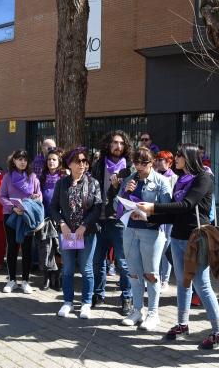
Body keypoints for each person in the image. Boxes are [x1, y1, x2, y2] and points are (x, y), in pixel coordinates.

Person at [137, 143, 219, 349]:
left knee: (202, 285)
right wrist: (148, 216)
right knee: (183, 284)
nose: (175, 158)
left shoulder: (204, 178)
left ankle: (218, 332)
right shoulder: (181, 179)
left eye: (179, 155)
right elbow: (176, 213)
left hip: (196, 238)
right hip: (177, 238)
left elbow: (187, 205)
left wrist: (153, 207)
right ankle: (182, 324)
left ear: (189, 157)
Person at [117, 147, 172, 330]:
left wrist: (147, 214)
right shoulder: (130, 178)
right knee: (133, 272)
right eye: (136, 162)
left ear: (152, 163)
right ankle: (137, 310)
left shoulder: (161, 181)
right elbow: (119, 206)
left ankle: (153, 313)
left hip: (152, 232)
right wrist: (125, 192)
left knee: (151, 273)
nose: (139, 167)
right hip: (130, 230)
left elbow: (167, 209)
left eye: (143, 163)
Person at [50, 147, 101, 319]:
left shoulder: (93, 183)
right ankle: (68, 302)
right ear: (69, 164)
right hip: (69, 234)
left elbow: (97, 208)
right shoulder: (61, 183)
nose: (82, 164)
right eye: (78, 161)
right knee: (68, 269)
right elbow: (53, 207)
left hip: (86, 233)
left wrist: (84, 226)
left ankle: (86, 303)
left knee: (87, 269)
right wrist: (62, 224)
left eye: (84, 161)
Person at [91, 130, 133, 315]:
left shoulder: (130, 166)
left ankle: (127, 298)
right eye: (115, 142)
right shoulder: (99, 164)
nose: (118, 146)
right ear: (108, 144)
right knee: (98, 261)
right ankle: (98, 295)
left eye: (121, 143)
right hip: (100, 219)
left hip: (120, 220)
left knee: (123, 263)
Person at [0, 149, 42, 294]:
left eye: (25, 159)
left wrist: (36, 197)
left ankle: (25, 281)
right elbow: (2, 196)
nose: (22, 162)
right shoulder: (7, 177)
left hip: (27, 216)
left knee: (27, 248)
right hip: (11, 216)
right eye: (19, 159)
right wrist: (12, 207)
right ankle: (11, 280)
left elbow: (39, 196)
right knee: (12, 247)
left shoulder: (33, 177)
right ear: (14, 161)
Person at [39, 149, 66, 290]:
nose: (51, 161)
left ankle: (58, 277)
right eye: (49, 159)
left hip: (62, 219)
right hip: (46, 219)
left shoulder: (64, 177)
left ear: (59, 161)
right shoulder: (41, 177)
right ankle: (47, 277)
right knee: (46, 250)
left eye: (54, 159)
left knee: (60, 250)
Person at [154, 150, 177, 289]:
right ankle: (155, 276)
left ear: (169, 162)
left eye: (160, 159)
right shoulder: (155, 176)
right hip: (157, 216)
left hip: (168, 219)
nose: (157, 161)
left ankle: (165, 279)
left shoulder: (174, 178)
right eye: (156, 159)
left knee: (166, 249)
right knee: (156, 248)